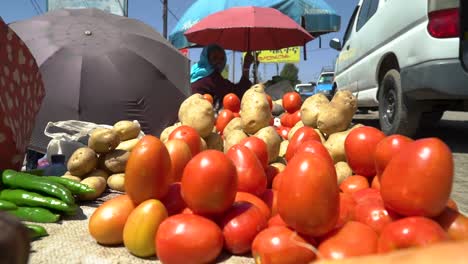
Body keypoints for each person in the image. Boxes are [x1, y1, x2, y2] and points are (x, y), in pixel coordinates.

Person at [190, 44, 255, 111]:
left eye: (222, 58)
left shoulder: (194, 73)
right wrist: (246, 66)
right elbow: (238, 93)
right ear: (207, 59)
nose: (219, 62)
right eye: (214, 58)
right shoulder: (213, 78)